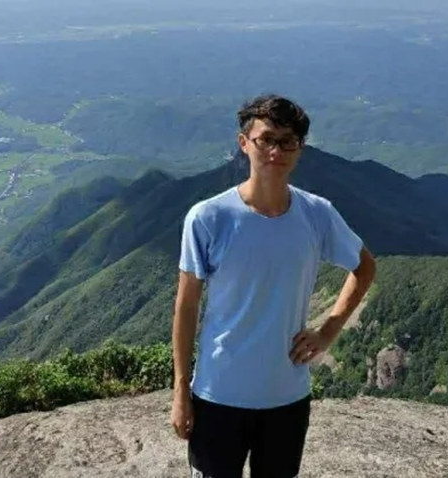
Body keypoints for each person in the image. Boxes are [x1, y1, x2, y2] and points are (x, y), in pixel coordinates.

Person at [171, 94, 376, 478]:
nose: (276, 151)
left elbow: (364, 267)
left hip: (286, 397)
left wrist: (328, 331)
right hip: (218, 395)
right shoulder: (208, 218)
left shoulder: (317, 214)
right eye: (266, 139)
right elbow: (186, 308)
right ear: (244, 143)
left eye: (288, 141)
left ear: (300, 148)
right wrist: (181, 390)